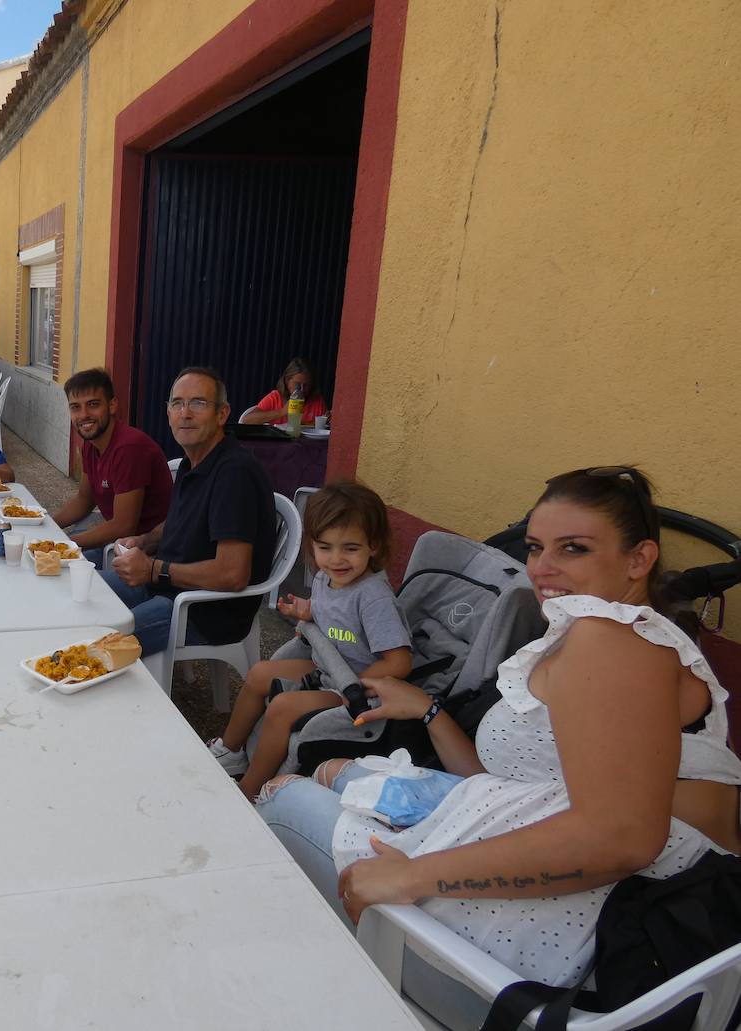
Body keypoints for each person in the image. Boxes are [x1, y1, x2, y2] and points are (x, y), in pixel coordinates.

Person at [256, 466, 741, 990]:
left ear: (639, 559)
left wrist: (414, 875)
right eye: (535, 548)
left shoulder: (612, 641)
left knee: (282, 799)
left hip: (593, 921)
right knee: (328, 769)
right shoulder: (609, 635)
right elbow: (509, 780)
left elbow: (621, 837)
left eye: (573, 548)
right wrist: (426, 709)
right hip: (534, 834)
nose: (542, 568)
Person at [206, 481, 412, 799]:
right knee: (260, 672)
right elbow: (333, 617)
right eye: (325, 547)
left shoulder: (373, 598)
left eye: (350, 548)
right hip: (326, 669)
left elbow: (399, 662)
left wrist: (354, 683)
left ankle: (248, 793)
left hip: (359, 691)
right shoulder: (324, 578)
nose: (336, 559)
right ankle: (231, 750)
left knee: (283, 707)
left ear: (373, 545)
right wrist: (307, 611)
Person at [102, 367, 275, 658]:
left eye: (198, 403)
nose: (185, 413)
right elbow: (183, 520)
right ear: (168, 412)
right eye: (177, 403)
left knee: (97, 644)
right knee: (81, 598)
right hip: (167, 586)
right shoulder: (192, 461)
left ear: (222, 414)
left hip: (203, 610)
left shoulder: (234, 473)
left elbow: (233, 574)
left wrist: (154, 569)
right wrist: (145, 541)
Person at [51, 367, 174, 568]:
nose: (83, 415)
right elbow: (84, 500)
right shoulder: (91, 444)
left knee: (60, 571)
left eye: (93, 404)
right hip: (115, 541)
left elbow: (124, 525)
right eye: (75, 407)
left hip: (146, 552)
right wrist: (48, 526)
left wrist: (65, 545)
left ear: (112, 405)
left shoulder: (129, 448)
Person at [240, 357, 329, 426]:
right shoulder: (275, 397)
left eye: (307, 385)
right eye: (297, 384)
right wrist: (282, 412)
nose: (301, 390)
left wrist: (331, 420)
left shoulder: (317, 401)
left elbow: (323, 427)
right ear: (287, 381)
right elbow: (247, 420)